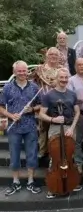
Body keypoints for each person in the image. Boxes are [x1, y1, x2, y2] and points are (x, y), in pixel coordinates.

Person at [39, 68, 82, 199]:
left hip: (70, 127)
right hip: (55, 127)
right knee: (55, 157)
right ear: (56, 78)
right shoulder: (48, 95)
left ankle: (71, 182)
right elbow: (41, 114)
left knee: (70, 155)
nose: (64, 80)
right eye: (61, 77)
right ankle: (53, 187)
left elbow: (77, 112)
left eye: (65, 77)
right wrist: (53, 119)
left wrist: (72, 127)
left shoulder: (72, 94)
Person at [0, 61, 41, 196]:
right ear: (14, 72)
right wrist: (11, 115)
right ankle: (16, 181)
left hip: (30, 126)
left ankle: (30, 181)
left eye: (24, 71)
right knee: (14, 155)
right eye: (19, 71)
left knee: (32, 155)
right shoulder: (7, 88)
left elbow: (40, 105)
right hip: (14, 128)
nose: (22, 73)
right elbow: (1, 107)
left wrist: (32, 108)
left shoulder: (34, 87)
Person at [31, 47, 62, 158]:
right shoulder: (39, 69)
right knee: (43, 129)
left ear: (59, 57)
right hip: (42, 103)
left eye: (56, 55)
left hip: (58, 103)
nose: (53, 56)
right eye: (51, 54)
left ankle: (53, 151)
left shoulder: (62, 70)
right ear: (47, 56)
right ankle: (42, 150)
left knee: (56, 129)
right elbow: (32, 85)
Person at [67, 58, 83, 173]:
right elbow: (71, 98)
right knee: (77, 140)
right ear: (75, 67)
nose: (81, 66)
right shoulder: (71, 80)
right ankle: (78, 162)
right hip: (78, 114)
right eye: (79, 65)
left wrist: (82, 100)